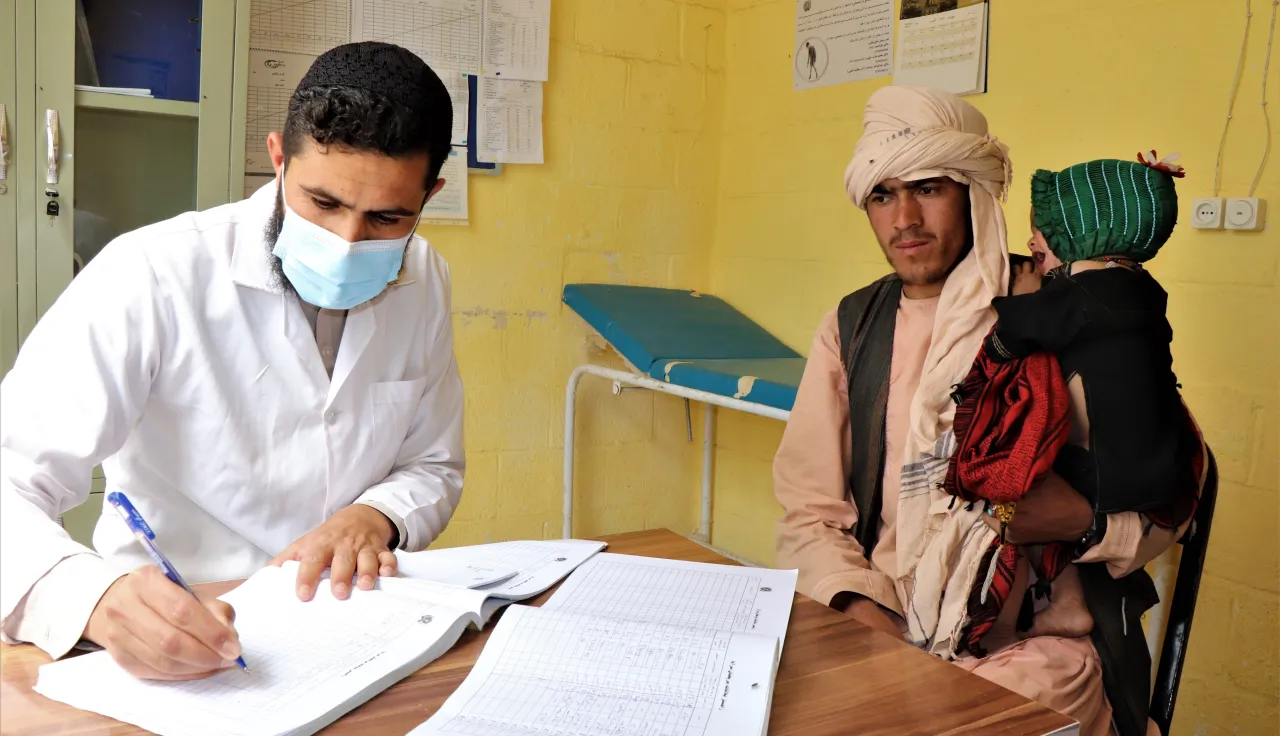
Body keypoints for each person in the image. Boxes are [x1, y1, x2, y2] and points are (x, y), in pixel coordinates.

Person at [0, 42, 465, 682]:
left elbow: (433, 464)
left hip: (350, 627)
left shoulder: (426, 279)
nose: (347, 243)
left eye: (387, 218)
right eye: (323, 203)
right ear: (278, 159)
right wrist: (90, 598)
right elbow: (10, 472)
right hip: (179, 629)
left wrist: (375, 516)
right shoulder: (155, 273)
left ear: (430, 193)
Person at [773, 86, 1204, 736]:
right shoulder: (853, 327)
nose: (905, 219)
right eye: (883, 195)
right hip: (883, 616)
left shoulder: (1067, 306)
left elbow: (1172, 486)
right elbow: (809, 510)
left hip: (1040, 647)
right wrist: (869, 618)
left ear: (974, 191)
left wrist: (1085, 523)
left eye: (928, 187)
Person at [945, 153, 1201, 650]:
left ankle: (999, 627)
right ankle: (1069, 604)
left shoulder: (1081, 295)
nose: (1030, 243)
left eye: (1040, 231)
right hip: (1160, 469)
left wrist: (995, 345)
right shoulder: (1144, 292)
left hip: (1103, 476)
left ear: (1077, 232)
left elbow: (1017, 329)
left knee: (1009, 495)